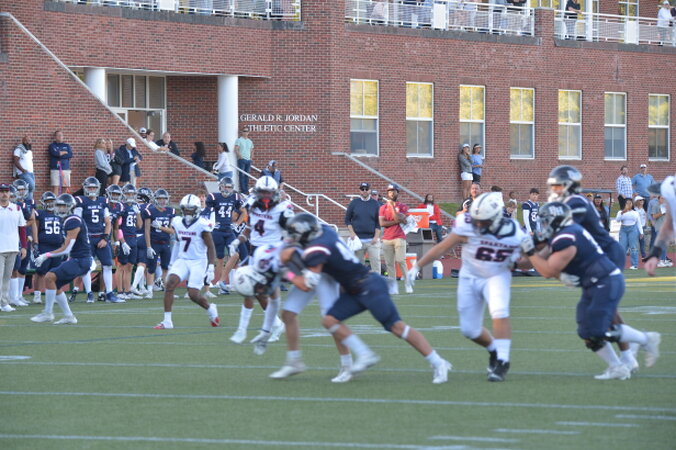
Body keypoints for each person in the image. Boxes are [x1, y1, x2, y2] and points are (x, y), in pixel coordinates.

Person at [282, 213, 452, 384]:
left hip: (369, 287)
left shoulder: (317, 250)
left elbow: (306, 285)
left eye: (296, 236)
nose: (293, 239)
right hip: (355, 289)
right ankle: (365, 354)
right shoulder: (326, 231)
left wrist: (287, 272)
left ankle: (439, 363)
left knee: (397, 327)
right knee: (329, 320)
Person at [520, 202, 661, 380]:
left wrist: (530, 252)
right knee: (585, 331)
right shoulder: (562, 234)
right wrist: (518, 254)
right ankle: (617, 367)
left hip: (606, 281)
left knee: (597, 330)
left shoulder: (567, 236)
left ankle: (646, 339)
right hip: (593, 284)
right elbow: (530, 262)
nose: (544, 225)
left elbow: (547, 270)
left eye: (546, 221)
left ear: (556, 220)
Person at [408, 192, 525, 382]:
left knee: (499, 311)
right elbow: (443, 246)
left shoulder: (513, 231)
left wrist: (516, 261)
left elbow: (530, 261)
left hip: (496, 275)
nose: (477, 224)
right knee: (469, 330)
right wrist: (418, 265)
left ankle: (503, 360)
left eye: (482, 220)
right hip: (469, 277)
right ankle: (494, 350)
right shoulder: (468, 222)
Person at [547, 165, 642, 372]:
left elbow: (564, 232)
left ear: (569, 185)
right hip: (598, 254)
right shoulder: (570, 202)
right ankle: (627, 355)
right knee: (604, 308)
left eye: (558, 185)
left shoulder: (575, 202)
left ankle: (631, 350)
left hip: (606, 253)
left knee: (604, 308)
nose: (554, 189)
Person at [228, 176, 291, 344]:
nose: (265, 196)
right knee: (249, 291)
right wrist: (237, 240)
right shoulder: (252, 206)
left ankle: (272, 325)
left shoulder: (282, 209)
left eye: (268, 192)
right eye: (262, 192)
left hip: (271, 254)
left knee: (258, 290)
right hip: (254, 252)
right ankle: (270, 325)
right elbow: (249, 229)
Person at [153, 194, 220, 330]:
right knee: (170, 284)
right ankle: (167, 321)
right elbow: (178, 242)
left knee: (193, 294)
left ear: (197, 210)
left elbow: (211, 246)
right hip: (183, 259)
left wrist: (211, 267)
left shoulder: (202, 224)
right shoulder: (177, 222)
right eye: (186, 209)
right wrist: (172, 262)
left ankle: (210, 308)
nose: (188, 212)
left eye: (191, 209)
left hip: (198, 261)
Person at [30, 194, 92, 324]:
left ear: (70, 207)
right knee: (54, 284)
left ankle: (48, 313)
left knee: (49, 276)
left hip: (81, 259)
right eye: (58, 205)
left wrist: (46, 255)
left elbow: (66, 248)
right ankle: (68, 316)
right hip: (77, 258)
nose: (60, 208)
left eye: (63, 206)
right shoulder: (67, 220)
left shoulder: (73, 220)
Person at [72, 177, 122, 303]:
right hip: (87, 238)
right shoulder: (81, 201)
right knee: (87, 266)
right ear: (85, 188)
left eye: (94, 187)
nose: (92, 189)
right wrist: (81, 239)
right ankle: (89, 293)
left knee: (108, 265)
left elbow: (108, 222)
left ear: (98, 188)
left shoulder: (103, 201)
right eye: (90, 187)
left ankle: (109, 293)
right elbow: (77, 222)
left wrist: (105, 238)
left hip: (100, 237)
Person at [205, 177, 246, 296]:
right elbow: (207, 212)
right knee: (219, 258)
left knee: (235, 255)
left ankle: (222, 281)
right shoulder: (213, 197)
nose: (227, 189)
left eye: (229, 187)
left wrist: (236, 224)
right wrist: (211, 223)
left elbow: (243, 212)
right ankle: (219, 284)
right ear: (221, 187)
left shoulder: (235, 197)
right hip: (217, 231)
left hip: (229, 230)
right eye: (225, 186)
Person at [31, 191, 63, 305]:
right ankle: (37, 295)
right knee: (40, 271)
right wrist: (35, 244)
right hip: (44, 246)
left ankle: (53, 295)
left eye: (52, 201)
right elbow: (35, 229)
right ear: (43, 202)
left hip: (57, 247)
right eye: (48, 201)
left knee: (54, 272)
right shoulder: (40, 214)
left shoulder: (59, 214)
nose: (50, 203)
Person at [379, 183, 411, 294]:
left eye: (393, 191)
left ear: (398, 192)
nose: (391, 193)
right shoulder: (383, 207)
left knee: (401, 260)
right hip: (387, 238)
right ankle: (393, 286)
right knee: (389, 264)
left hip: (399, 236)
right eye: (389, 191)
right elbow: (382, 223)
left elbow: (400, 218)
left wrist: (392, 207)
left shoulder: (402, 206)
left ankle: (407, 283)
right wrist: (396, 221)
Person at [0, 183, 27, 313]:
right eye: (1, 191)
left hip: (12, 247)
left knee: (7, 277)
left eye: (6, 191)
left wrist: (24, 247)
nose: (4, 194)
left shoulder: (17, 208)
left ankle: (4, 302)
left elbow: (22, 229)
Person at [144, 188, 175, 297]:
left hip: (165, 242)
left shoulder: (170, 211)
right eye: (160, 198)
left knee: (166, 267)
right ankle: (149, 290)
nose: (162, 201)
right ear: (155, 199)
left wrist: (160, 227)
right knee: (151, 267)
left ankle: (167, 290)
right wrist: (148, 246)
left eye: (164, 198)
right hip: (154, 242)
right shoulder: (150, 211)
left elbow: (172, 231)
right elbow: (146, 230)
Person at [345, 182, 382, 272]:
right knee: (358, 267)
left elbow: (378, 222)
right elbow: (347, 220)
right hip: (358, 241)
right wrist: (352, 233)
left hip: (372, 241)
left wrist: (376, 237)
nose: (364, 191)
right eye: (362, 189)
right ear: (360, 191)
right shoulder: (354, 203)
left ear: (370, 190)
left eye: (366, 189)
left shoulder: (375, 204)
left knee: (376, 265)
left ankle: (376, 281)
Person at [116, 184, 143, 300]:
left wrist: (138, 214)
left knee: (130, 266)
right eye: (128, 193)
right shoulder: (121, 207)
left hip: (133, 238)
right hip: (124, 237)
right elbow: (117, 227)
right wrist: (122, 242)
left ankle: (127, 291)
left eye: (132, 194)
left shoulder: (136, 206)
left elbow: (139, 226)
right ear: (124, 194)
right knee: (121, 266)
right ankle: (119, 291)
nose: (130, 196)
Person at [645, 174, 675, 275]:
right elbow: (665, 224)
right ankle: (662, 259)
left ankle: (663, 259)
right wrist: (654, 254)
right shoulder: (659, 204)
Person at [615, 198, 642, 270]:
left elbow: (638, 223)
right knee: (622, 247)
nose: (629, 204)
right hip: (623, 229)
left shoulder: (635, 213)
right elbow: (617, 220)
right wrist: (623, 212)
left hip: (633, 229)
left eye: (630, 203)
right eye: (627, 203)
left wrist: (641, 232)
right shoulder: (620, 212)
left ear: (632, 204)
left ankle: (634, 264)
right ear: (625, 204)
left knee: (633, 247)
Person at [649, 195, 671, 267]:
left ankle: (663, 260)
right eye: (662, 198)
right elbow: (654, 216)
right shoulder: (655, 206)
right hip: (659, 227)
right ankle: (661, 261)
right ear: (658, 199)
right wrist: (662, 213)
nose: (663, 200)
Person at [48, 130, 73, 194]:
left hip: (65, 169)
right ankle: (55, 200)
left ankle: (63, 199)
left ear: (63, 136)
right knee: (55, 186)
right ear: (55, 137)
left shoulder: (67, 146)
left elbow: (70, 155)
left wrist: (60, 154)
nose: (59, 137)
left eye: (61, 135)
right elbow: (55, 153)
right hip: (55, 169)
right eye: (58, 135)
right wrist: (64, 153)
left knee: (65, 186)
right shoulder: (52, 145)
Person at [13, 135, 35, 200]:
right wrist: (22, 170)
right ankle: (25, 201)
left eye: (29, 140)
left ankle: (28, 204)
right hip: (23, 173)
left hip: (31, 173)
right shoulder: (19, 149)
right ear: (23, 141)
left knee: (30, 190)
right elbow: (16, 161)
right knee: (31, 186)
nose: (28, 142)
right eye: (26, 141)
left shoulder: (29, 151)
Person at [235, 127, 254, 194]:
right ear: (242, 132)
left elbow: (252, 150)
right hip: (242, 160)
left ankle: (246, 190)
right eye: (244, 131)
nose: (245, 132)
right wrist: (240, 157)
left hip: (248, 160)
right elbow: (236, 149)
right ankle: (243, 190)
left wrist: (251, 158)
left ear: (248, 132)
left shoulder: (250, 141)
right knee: (242, 175)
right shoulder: (239, 140)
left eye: (246, 131)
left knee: (247, 175)